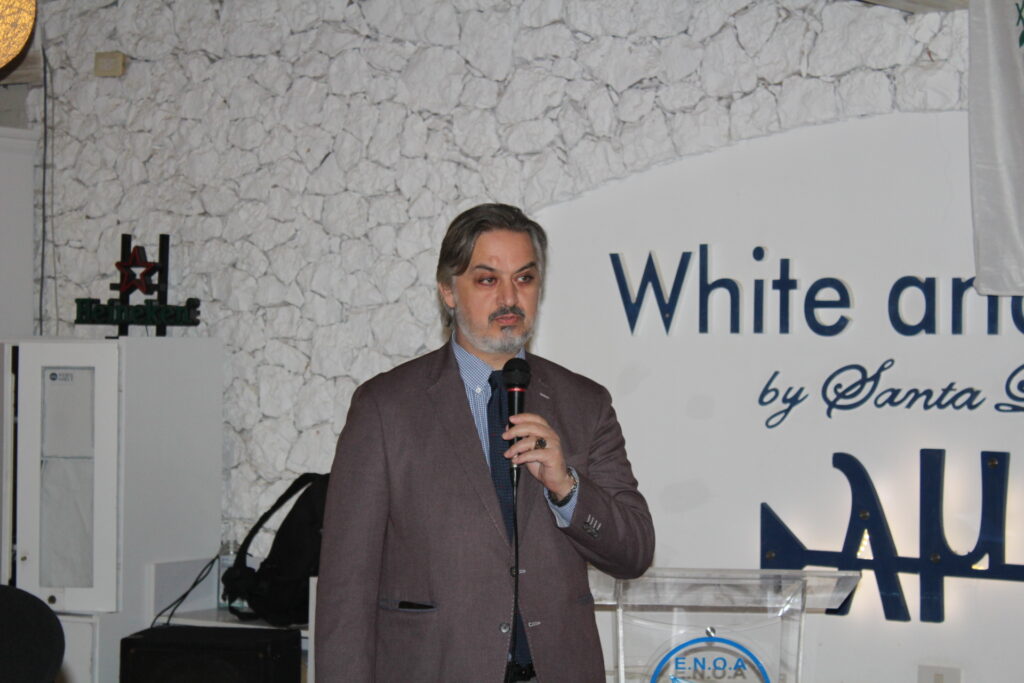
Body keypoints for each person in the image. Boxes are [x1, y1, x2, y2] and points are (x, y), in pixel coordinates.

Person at [315, 203, 655, 682]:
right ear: (447, 290)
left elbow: (635, 552)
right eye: (487, 279)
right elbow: (345, 591)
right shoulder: (385, 408)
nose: (509, 297)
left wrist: (567, 487)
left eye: (524, 278)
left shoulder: (585, 403)